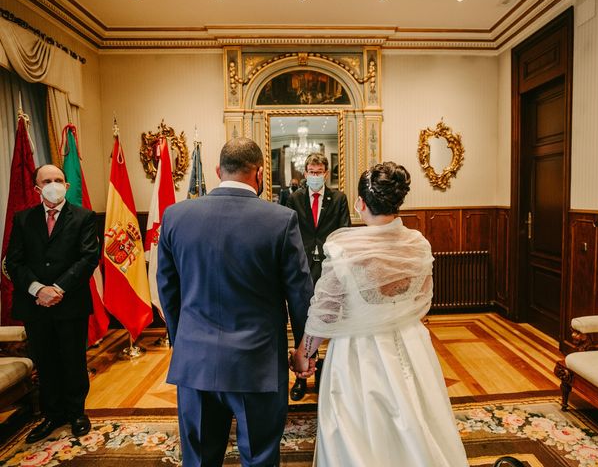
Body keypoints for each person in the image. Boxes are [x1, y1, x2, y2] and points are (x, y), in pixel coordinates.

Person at [290, 162, 469, 466]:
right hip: (411, 346)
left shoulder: (346, 250)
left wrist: (303, 353)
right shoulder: (419, 244)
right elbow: (422, 301)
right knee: (417, 416)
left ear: (360, 204)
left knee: (359, 429)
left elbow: (325, 314)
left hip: (359, 353)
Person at [156, 137, 314, 467]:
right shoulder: (281, 220)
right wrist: (304, 351)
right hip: (257, 364)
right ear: (259, 173)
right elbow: (300, 295)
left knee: (199, 459)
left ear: (218, 171)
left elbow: (167, 290)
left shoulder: (175, 216)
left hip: (195, 360)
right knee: (259, 458)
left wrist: (181, 341)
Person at [6, 164, 99, 443]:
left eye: (58, 179)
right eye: (47, 180)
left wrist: (58, 288)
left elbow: (88, 258)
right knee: (45, 361)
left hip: (70, 302)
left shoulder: (84, 217)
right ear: (37, 187)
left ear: (67, 186)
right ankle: (52, 415)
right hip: (35, 304)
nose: (54, 184)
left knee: (73, 360)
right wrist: (38, 289)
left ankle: (77, 413)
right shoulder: (23, 219)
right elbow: (14, 261)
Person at [285, 152, 350, 401]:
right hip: (302, 268)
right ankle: (302, 379)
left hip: (331, 267)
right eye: (311, 171)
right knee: (304, 324)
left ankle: (325, 377)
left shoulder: (339, 198)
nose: (315, 175)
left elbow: (344, 231)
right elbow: (290, 233)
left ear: (326, 173)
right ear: (305, 173)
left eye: (319, 171)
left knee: (332, 323)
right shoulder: (294, 198)